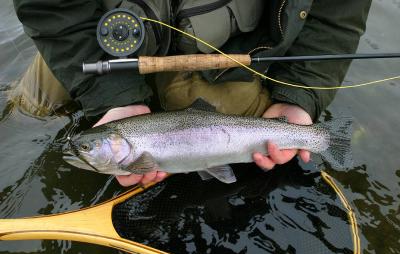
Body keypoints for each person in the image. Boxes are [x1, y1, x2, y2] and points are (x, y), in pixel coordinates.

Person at [12, 0, 371, 186]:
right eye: (89, 147)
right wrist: (112, 97)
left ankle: (324, 137)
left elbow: (335, 15)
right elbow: (47, 7)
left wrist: (300, 96)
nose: (84, 149)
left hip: (232, 53)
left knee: (240, 109)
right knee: (31, 103)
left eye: (88, 146)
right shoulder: (128, 146)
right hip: (107, 44)